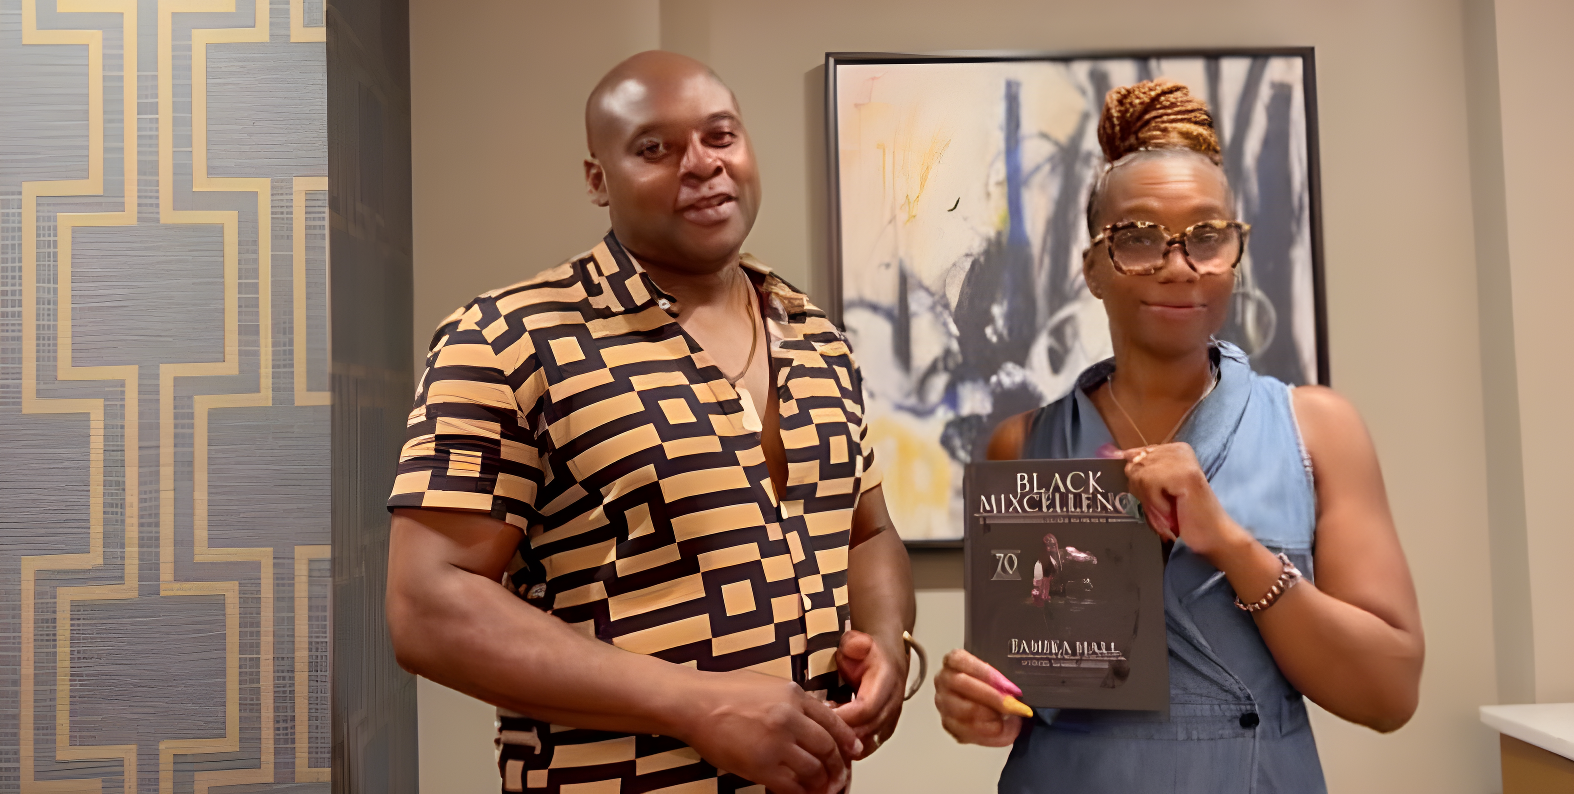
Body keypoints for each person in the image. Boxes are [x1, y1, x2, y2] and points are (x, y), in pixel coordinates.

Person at [385, 51, 916, 794]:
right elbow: (426, 607)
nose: (701, 165)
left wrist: (888, 641)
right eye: (654, 148)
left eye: (720, 136)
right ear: (598, 180)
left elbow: (868, 532)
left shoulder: (816, 332)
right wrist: (696, 706)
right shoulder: (509, 337)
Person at [933, 80, 1424, 793]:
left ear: (1236, 252)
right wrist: (973, 698)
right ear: (1093, 269)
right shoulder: (1024, 445)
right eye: (1135, 239)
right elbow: (1025, 686)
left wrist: (1230, 543)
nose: (1177, 264)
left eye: (1207, 236)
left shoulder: (1317, 430)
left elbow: (1388, 694)